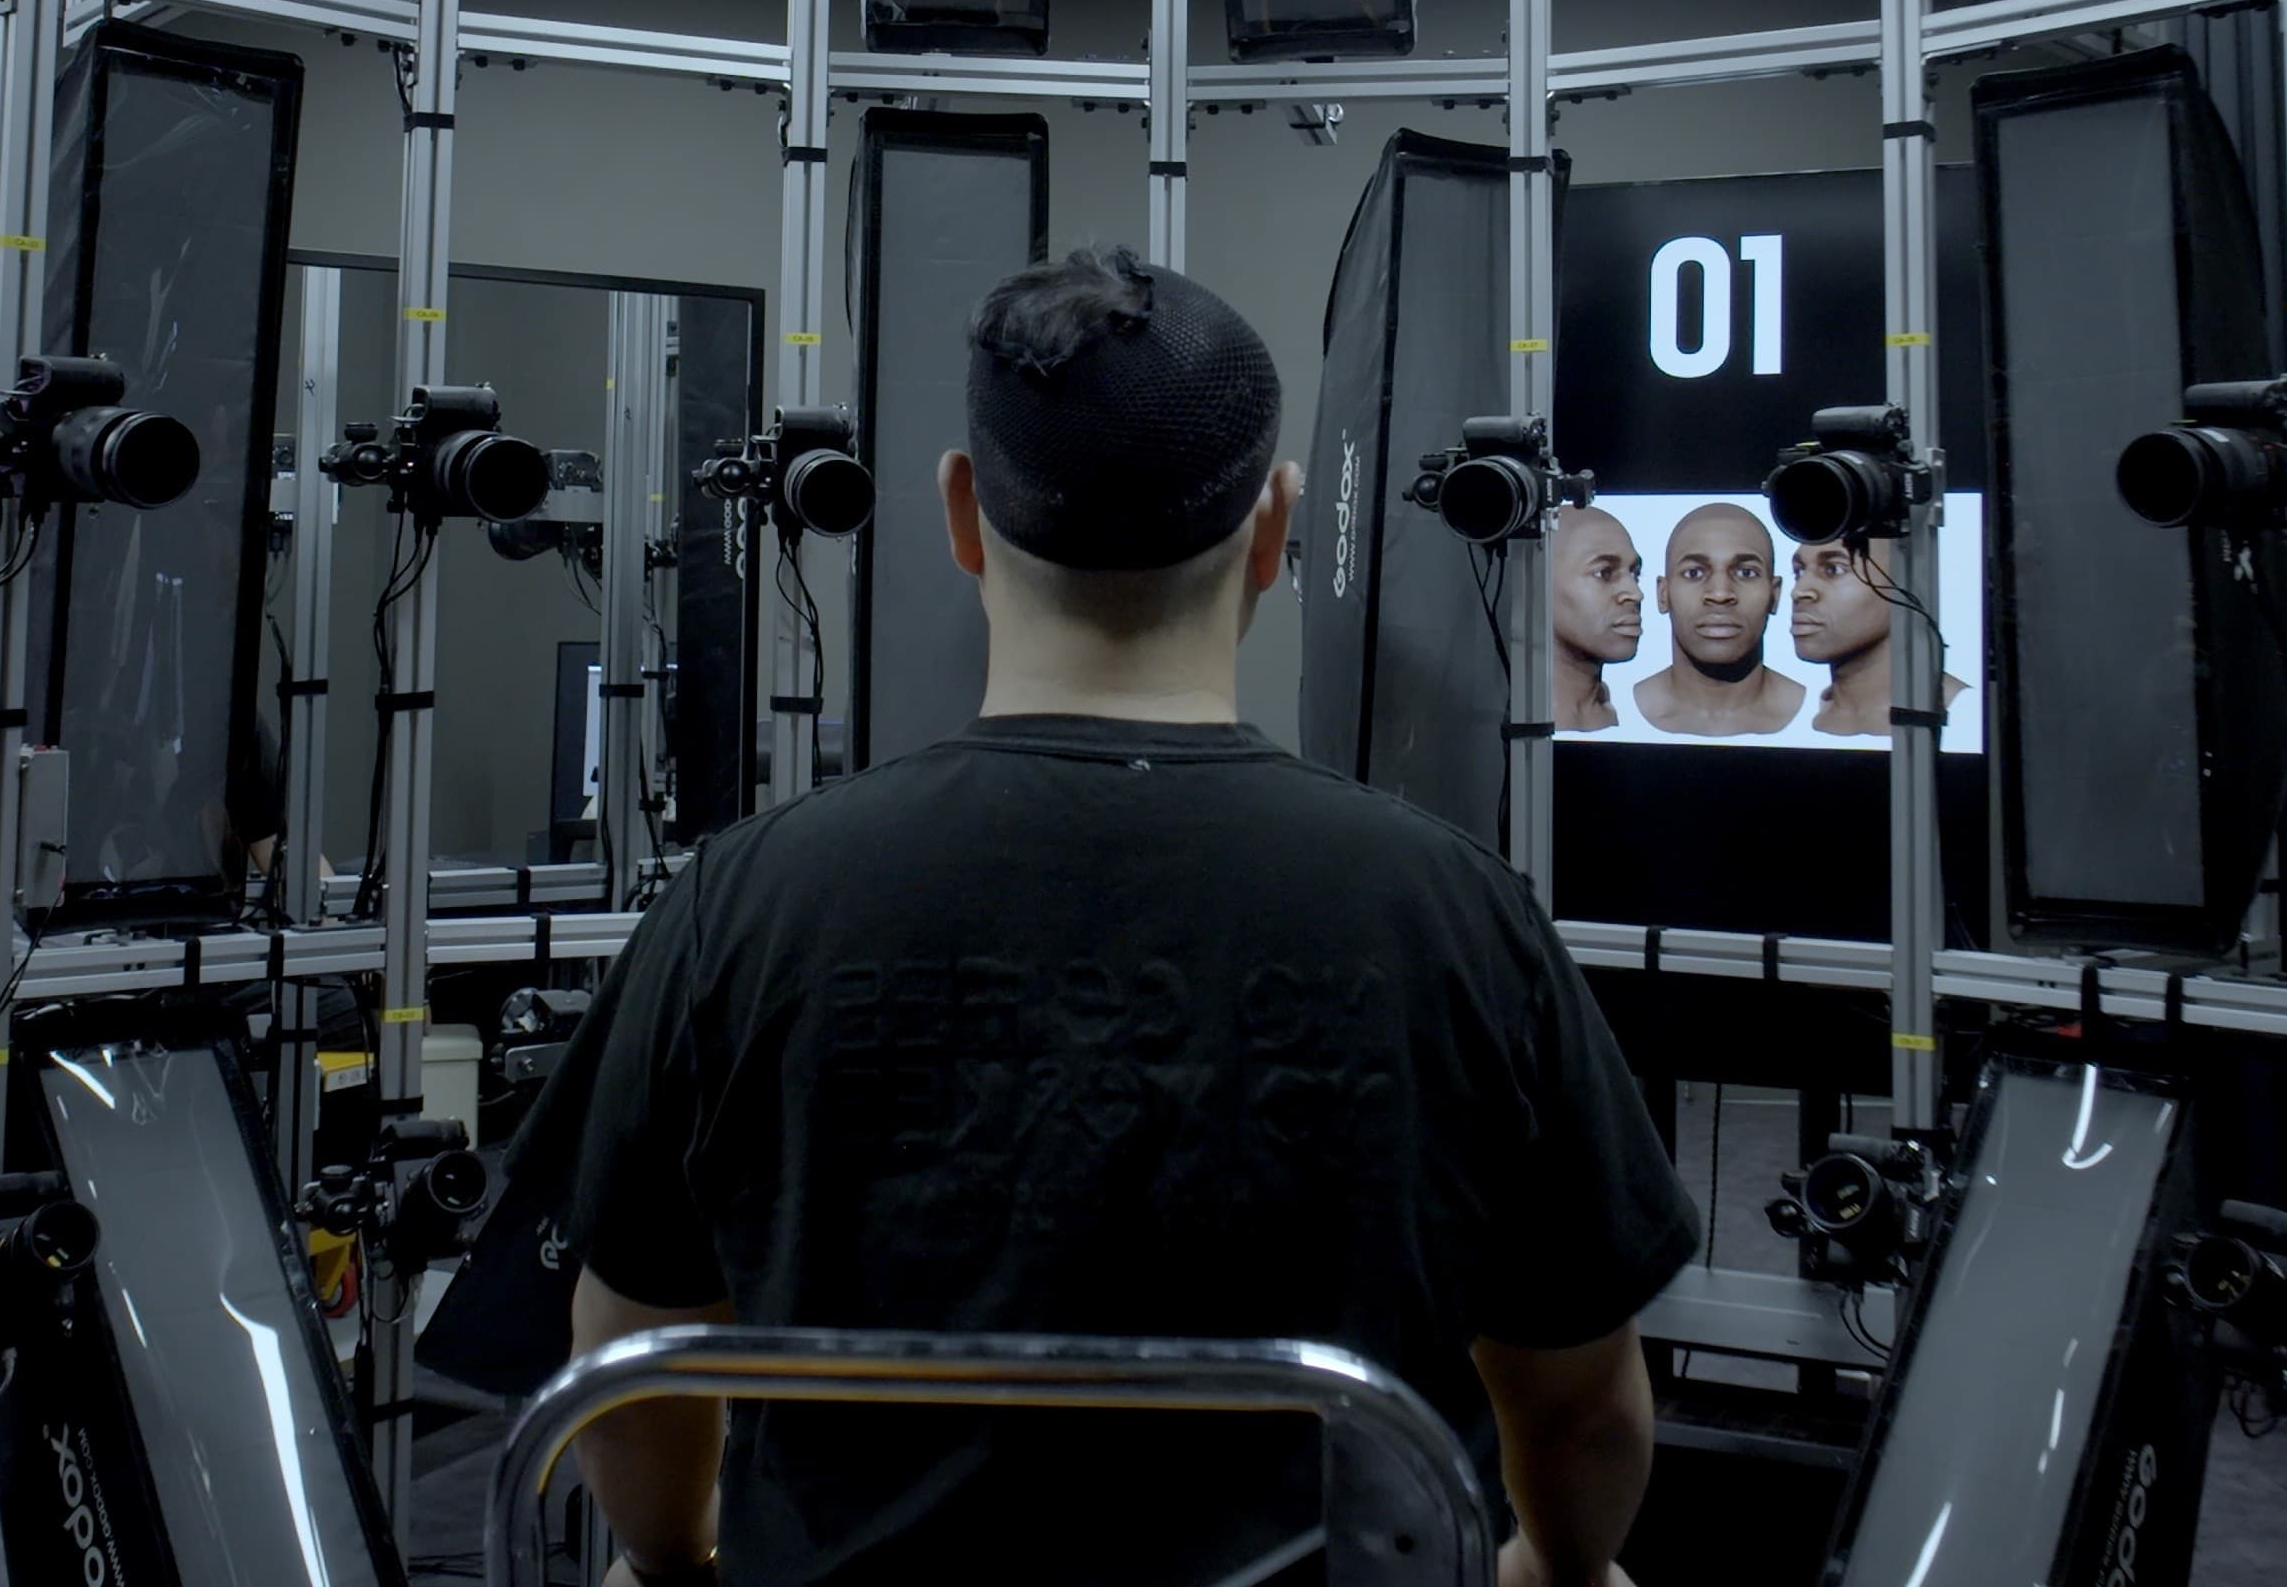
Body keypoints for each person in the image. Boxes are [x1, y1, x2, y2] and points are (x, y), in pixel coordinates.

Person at [551, 247, 1698, 1587]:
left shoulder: (741, 902)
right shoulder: (1459, 915)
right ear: (1273, 529)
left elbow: (628, 1372)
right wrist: (1556, 1565)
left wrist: (673, 1558)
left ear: (962, 513)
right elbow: (1586, 1414)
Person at [1630, 502, 1803, 737]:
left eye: (1746, 573)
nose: (1720, 594)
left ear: (1775, 595)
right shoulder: (1623, 709)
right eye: (1694, 573)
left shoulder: (1810, 711)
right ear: (1663, 594)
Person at [1786, 536, 1962, 738]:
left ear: (1907, 582)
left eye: (1834, 569)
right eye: (1799, 572)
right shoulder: (1790, 717)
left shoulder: (1969, 713)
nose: (1798, 591)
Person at [1548, 504, 1643, 732]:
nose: (1636, 594)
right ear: (1537, 584)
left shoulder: (1606, 708)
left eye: (1635, 574)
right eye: (1604, 573)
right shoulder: (1537, 719)